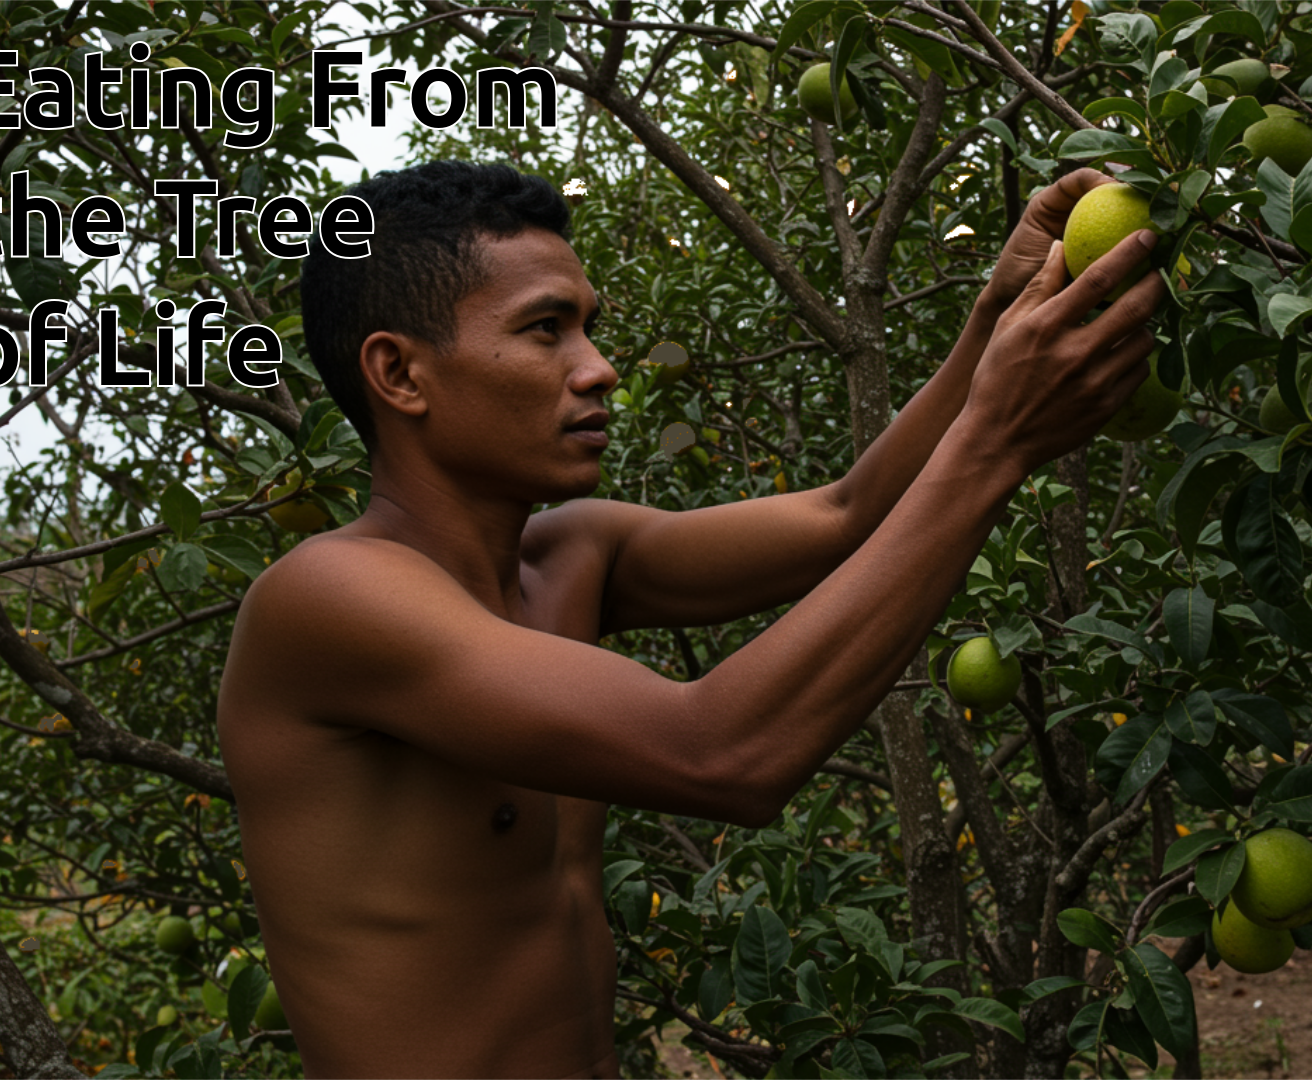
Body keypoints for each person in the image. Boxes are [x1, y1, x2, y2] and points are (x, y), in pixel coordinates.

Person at [215, 159, 1163, 1079]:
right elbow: (723, 753)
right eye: (546, 330)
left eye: (589, 327)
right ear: (400, 374)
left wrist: (1000, 313)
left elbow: (846, 516)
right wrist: (1000, 440)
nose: (601, 370)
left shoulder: (571, 558)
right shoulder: (328, 600)